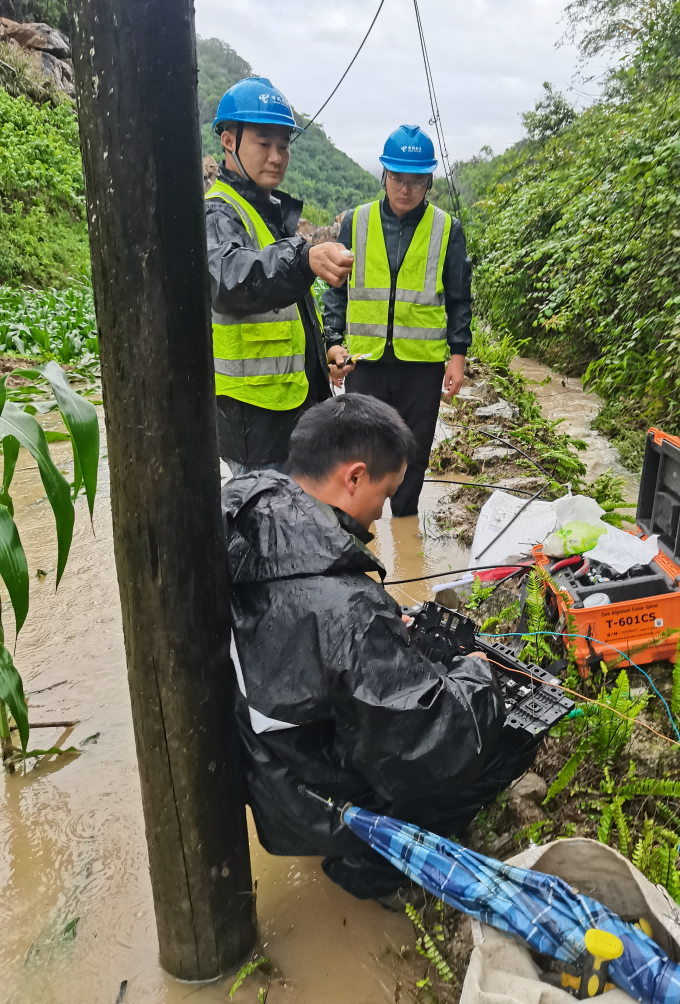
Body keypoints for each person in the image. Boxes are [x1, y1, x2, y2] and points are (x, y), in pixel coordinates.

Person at [223, 394, 538, 903]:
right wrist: (477, 676)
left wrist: (388, 623)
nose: (383, 511)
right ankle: (369, 869)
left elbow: (309, 629)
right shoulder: (347, 609)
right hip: (304, 796)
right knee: (500, 743)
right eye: (386, 494)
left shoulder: (249, 500)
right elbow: (431, 740)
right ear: (354, 477)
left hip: (254, 756)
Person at [207, 76, 356, 474]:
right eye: (263, 143)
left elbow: (290, 312)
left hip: (291, 408)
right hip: (253, 422)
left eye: (283, 145)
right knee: (265, 527)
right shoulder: (219, 211)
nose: (276, 156)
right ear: (229, 141)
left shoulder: (270, 212)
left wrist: (323, 353)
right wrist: (304, 258)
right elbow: (232, 279)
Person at [322, 124, 472, 516]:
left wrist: (458, 355)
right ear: (384, 175)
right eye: (397, 178)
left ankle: (405, 522)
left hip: (420, 366)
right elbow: (337, 289)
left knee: (414, 450)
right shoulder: (357, 221)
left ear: (429, 181)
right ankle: (359, 528)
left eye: (416, 180)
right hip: (366, 361)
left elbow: (458, 298)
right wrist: (333, 340)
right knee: (360, 450)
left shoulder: (446, 229)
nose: (405, 188)